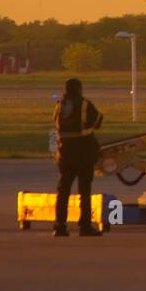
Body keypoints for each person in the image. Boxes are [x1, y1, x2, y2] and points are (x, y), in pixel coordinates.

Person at [51, 78, 104, 237]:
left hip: (64, 153)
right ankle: (85, 226)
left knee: (63, 191)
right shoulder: (85, 104)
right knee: (84, 191)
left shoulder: (59, 105)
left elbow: (55, 123)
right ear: (79, 89)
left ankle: (60, 226)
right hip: (83, 152)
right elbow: (98, 121)